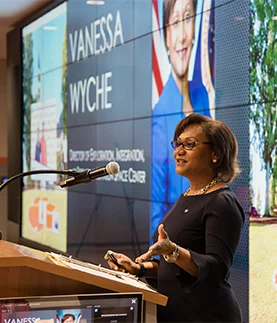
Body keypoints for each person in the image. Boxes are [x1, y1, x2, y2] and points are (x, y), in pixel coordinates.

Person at [105, 114, 245, 323]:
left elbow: (216, 269)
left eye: (189, 144)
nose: (178, 151)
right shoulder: (187, 196)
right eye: (177, 144)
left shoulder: (222, 202)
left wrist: (174, 251)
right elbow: (175, 268)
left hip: (208, 316)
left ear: (215, 153)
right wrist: (139, 269)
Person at [152, 0, 215, 239]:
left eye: (187, 18)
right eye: (175, 22)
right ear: (166, 36)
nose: (181, 37)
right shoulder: (159, 118)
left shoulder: (204, 98)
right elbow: (155, 217)